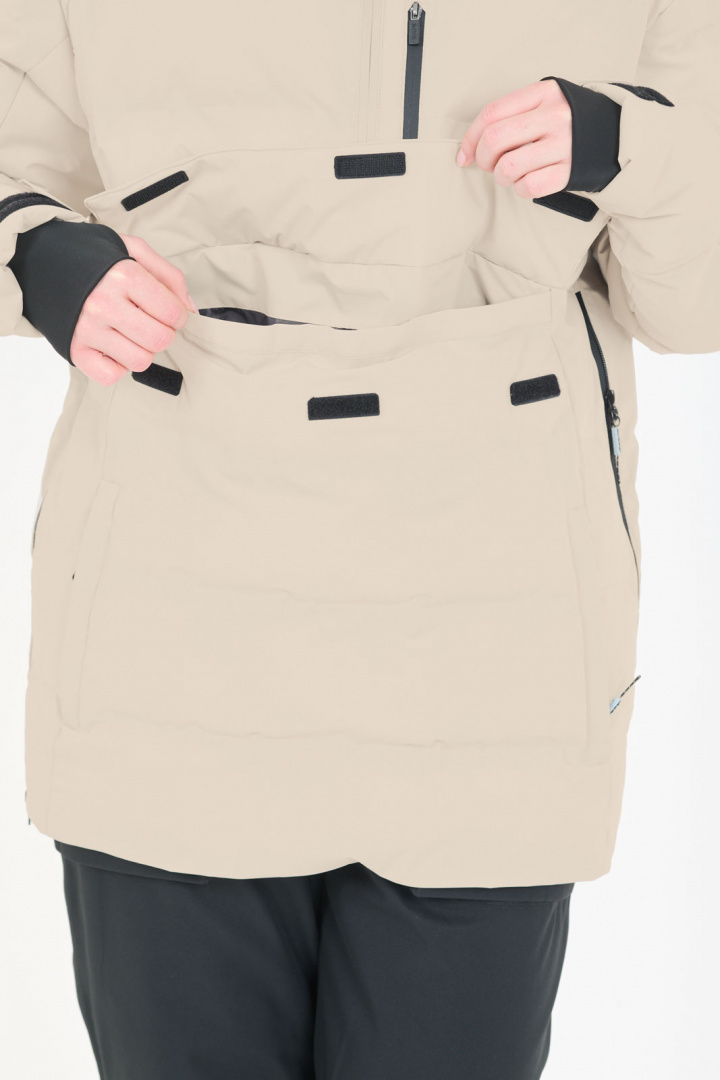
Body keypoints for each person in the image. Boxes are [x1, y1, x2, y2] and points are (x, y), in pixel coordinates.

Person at [1, 1, 718, 1077]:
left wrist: (632, 147)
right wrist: (41, 255)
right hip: (179, 636)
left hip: (488, 662)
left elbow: (696, 305)